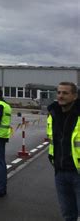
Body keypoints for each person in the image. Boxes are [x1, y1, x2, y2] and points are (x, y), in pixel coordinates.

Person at [46, 82, 80, 221]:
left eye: (65, 93)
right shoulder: (53, 114)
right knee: (68, 215)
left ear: (75, 96)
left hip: (78, 173)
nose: (60, 96)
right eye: (59, 92)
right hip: (60, 172)